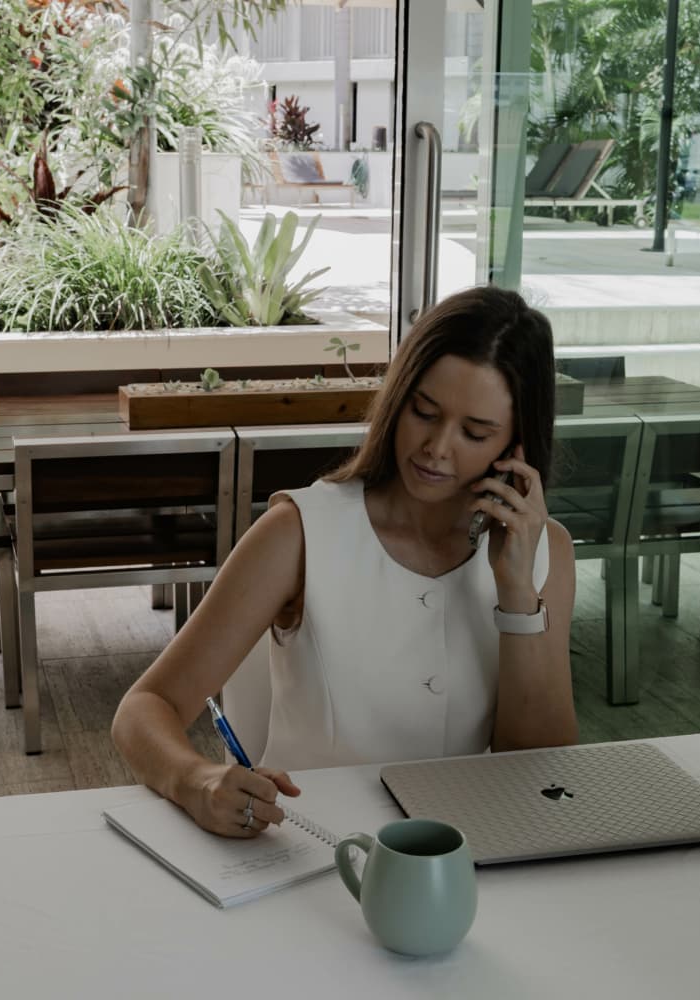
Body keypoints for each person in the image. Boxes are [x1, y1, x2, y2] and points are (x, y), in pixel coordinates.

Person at [111, 286, 579, 837]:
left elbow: (538, 773)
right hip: (309, 849)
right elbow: (144, 706)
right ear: (397, 397)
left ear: (516, 445)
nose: (437, 448)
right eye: (423, 412)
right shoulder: (300, 533)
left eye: (475, 433)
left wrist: (518, 591)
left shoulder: (547, 552)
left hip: (464, 854)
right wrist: (198, 781)